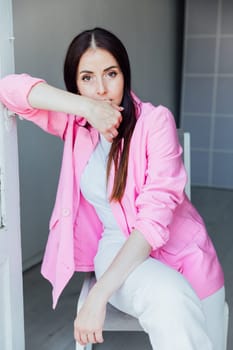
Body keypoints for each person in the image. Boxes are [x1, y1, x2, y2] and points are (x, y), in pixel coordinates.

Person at [0, 27, 225, 350]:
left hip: (186, 256)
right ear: (75, 84)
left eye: (111, 74)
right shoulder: (75, 126)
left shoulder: (155, 122)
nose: (102, 89)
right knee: (170, 298)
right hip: (117, 250)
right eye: (87, 78)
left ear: (125, 74)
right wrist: (86, 108)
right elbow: (9, 89)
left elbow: (154, 220)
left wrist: (98, 295)